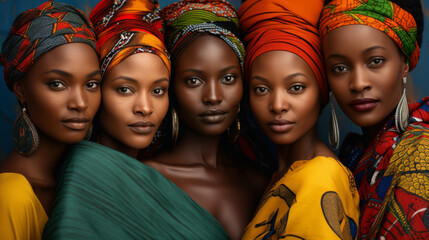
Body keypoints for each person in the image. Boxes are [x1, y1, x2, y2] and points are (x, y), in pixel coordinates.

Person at [43, 0, 233, 239]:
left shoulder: (155, 177)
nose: (145, 108)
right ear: (97, 89)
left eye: (158, 90)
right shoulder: (86, 175)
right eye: (125, 89)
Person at [142, 0, 269, 239]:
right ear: (171, 86)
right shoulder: (146, 182)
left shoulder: (261, 181)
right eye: (193, 81)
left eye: (228, 79)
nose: (213, 96)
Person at [238, 0, 360, 239]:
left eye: (295, 87)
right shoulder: (278, 174)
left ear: (322, 92)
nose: (277, 105)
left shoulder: (319, 178)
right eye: (261, 89)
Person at [320, 0, 429, 238]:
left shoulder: (421, 154)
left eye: (375, 61)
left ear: (404, 63)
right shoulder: (356, 154)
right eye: (339, 68)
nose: (358, 83)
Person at [0, 1, 100, 239]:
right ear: (21, 89)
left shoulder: (81, 182)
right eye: (57, 84)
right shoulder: (10, 196)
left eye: (91, 84)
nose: (80, 102)